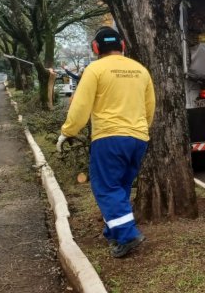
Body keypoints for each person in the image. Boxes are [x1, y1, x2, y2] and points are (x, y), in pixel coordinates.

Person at [56, 27, 156, 258]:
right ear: (122, 46)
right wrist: (140, 130)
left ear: (95, 48)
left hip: (109, 138)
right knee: (120, 187)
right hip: (138, 138)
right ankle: (114, 232)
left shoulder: (95, 70)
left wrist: (67, 132)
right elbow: (149, 107)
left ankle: (127, 235)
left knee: (106, 187)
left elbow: (80, 108)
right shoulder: (140, 70)